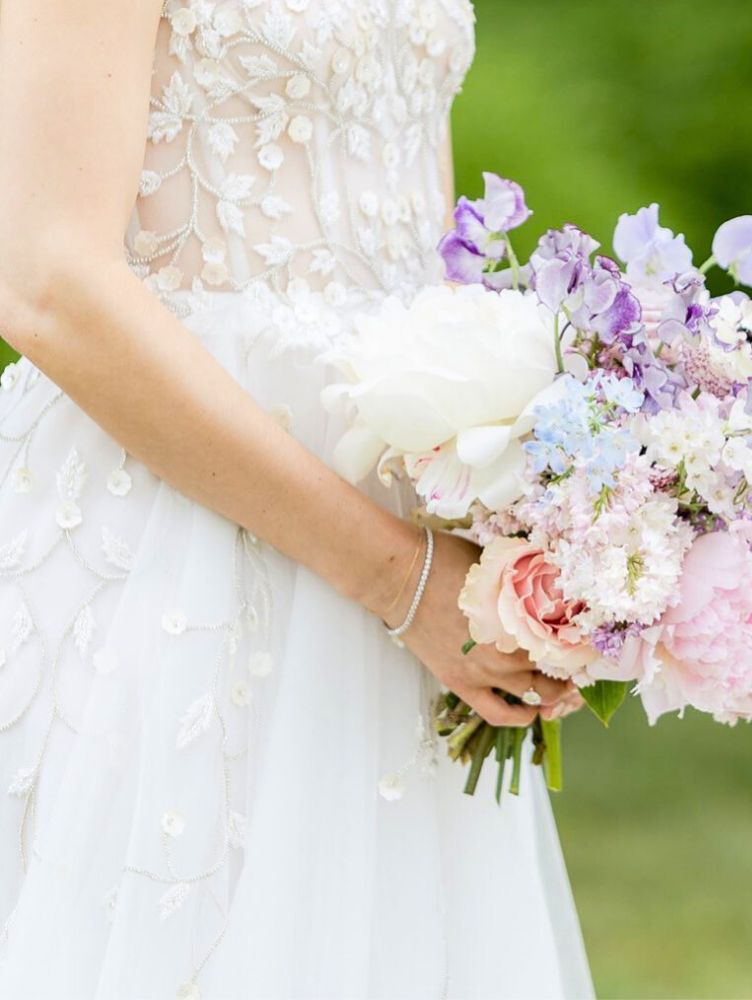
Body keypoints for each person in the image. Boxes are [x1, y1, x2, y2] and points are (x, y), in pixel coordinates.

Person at [0, 1, 593, 996]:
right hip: (169, 536)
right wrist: (397, 577)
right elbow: (48, 280)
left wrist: (511, 518)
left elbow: (414, 241)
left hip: (405, 531)